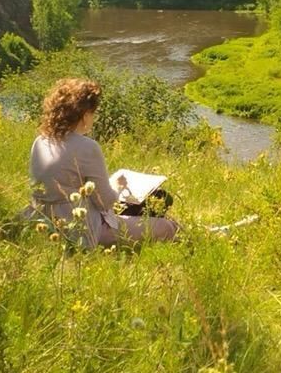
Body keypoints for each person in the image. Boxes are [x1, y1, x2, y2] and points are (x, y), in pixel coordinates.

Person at [27, 78, 180, 248]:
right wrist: (118, 187)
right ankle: (196, 236)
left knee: (147, 208)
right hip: (80, 230)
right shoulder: (87, 146)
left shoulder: (40, 141)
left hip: (42, 221)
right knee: (166, 226)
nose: (94, 118)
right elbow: (104, 202)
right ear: (85, 115)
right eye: (93, 113)